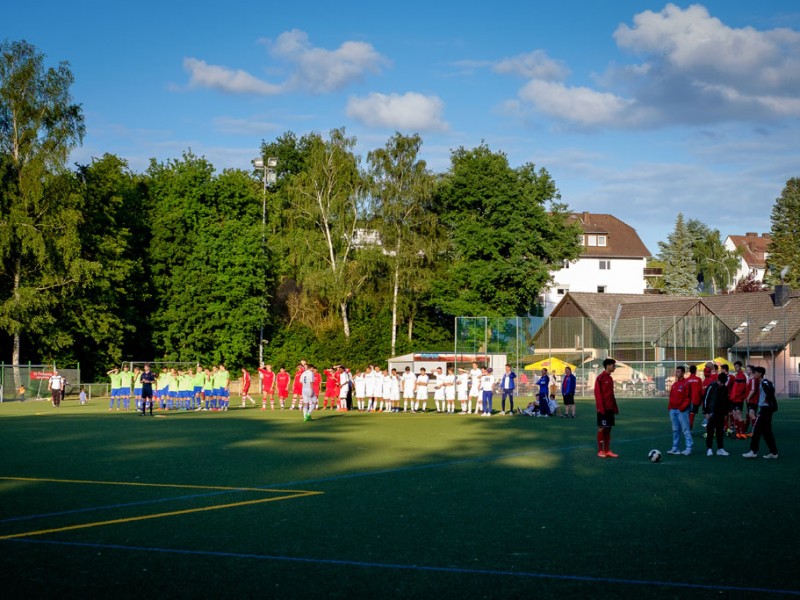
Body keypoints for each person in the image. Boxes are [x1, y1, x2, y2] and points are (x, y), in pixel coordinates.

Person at [742, 367, 779, 459]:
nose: (753, 375)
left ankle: (753, 451)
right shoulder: (763, 382)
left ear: (760, 374)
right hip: (765, 410)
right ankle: (773, 453)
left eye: (755, 373)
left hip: (766, 410)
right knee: (766, 432)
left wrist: (768, 401)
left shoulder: (765, 383)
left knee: (757, 430)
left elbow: (770, 392)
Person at [594, 358, 619, 458]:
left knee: (608, 429)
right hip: (602, 409)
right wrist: (601, 408)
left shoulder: (610, 378)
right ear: (608, 366)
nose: (614, 367)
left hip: (610, 408)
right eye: (613, 365)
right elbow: (597, 394)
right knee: (601, 428)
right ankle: (600, 451)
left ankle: (607, 450)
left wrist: (615, 407)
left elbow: (611, 395)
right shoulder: (600, 378)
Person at [667, 366, 693, 456]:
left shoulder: (686, 383)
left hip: (682, 411)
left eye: (678, 371)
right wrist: (670, 407)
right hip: (673, 410)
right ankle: (675, 448)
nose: (676, 373)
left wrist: (682, 408)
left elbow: (688, 398)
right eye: (676, 371)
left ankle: (689, 448)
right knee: (675, 430)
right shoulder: (674, 384)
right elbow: (671, 397)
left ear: (683, 373)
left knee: (685, 429)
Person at [703, 372, 729, 456]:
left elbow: (726, 401)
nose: (722, 384)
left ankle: (720, 448)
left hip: (720, 413)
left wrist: (725, 413)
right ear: (718, 380)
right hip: (711, 412)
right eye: (721, 382)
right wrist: (706, 412)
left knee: (720, 431)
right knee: (710, 430)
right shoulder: (711, 386)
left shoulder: (725, 388)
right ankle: (709, 448)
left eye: (723, 383)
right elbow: (705, 399)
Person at [730, 361, 748, 439]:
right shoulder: (737, 376)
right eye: (735, 366)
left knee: (738, 414)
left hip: (738, 399)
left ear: (740, 366)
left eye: (737, 366)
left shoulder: (742, 376)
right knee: (735, 415)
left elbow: (741, 388)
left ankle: (742, 433)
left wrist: (737, 396)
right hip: (734, 399)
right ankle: (738, 433)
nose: (736, 368)